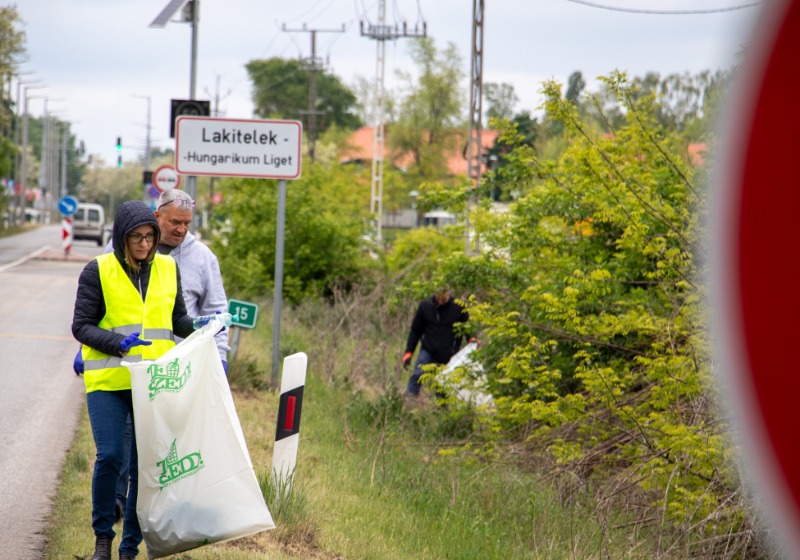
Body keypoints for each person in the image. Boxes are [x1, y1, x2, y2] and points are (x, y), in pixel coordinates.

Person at [93, 188, 231, 524]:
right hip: (123, 369)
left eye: (187, 223)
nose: (182, 229)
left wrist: (220, 357)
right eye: (175, 222)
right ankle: (118, 508)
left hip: (177, 374)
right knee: (120, 448)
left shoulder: (202, 259)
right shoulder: (120, 252)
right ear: (157, 217)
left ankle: (160, 514)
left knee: (161, 452)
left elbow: (212, 311)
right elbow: (98, 310)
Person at [72, 200, 198, 560]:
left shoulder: (169, 268)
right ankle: (102, 540)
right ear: (121, 238)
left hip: (153, 384)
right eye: (136, 238)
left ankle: (130, 548)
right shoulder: (97, 270)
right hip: (109, 381)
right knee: (110, 456)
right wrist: (117, 343)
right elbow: (80, 326)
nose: (144, 245)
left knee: (146, 468)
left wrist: (201, 326)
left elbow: (177, 321)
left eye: (150, 238)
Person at [402, 288, 473, 397]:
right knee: (417, 375)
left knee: (443, 388)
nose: (440, 301)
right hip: (428, 351)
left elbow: (467, 327)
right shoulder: (425, 305)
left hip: (448, 355)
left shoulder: (458, 307)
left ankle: (441, 411)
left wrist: (472, 338)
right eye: (438, 297)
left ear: (448, 294)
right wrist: (409, 352)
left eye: (443, 298)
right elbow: (416, 330)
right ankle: (408, 404)